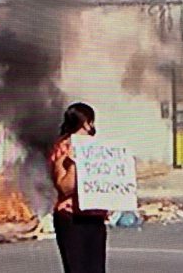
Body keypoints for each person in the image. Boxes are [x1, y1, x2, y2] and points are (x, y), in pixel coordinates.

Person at [49, 102, 108, 273]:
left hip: (94, 216)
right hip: (72, 218)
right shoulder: (63, 148)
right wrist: (75, 164)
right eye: (92, 121)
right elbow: (64, 188)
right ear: (86, 122)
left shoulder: (98, 148)